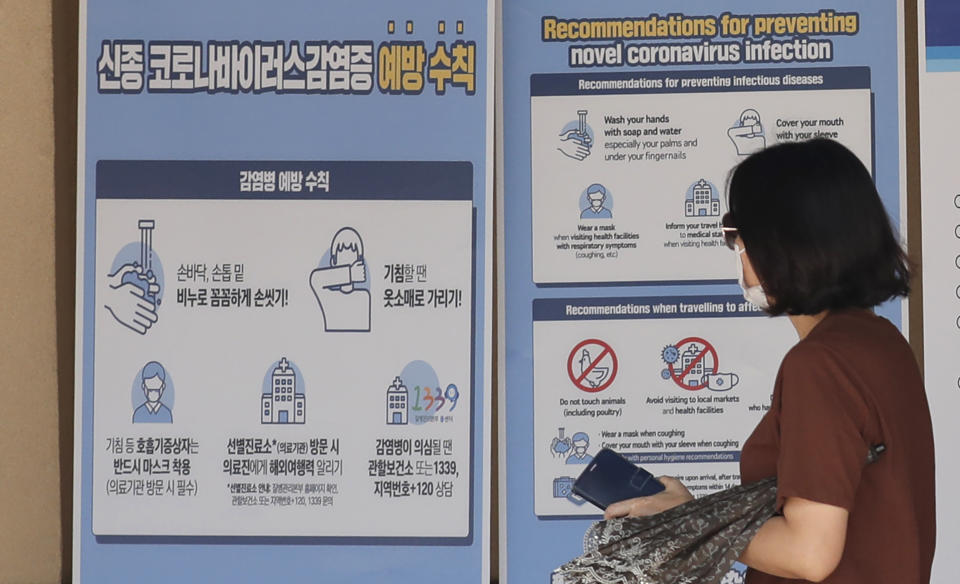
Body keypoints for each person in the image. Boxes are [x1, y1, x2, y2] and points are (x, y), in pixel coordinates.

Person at [604, 139, 935, 583]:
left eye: (737, 233)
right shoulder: (881, 345)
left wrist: (691, 521)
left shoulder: (821, 364)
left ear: (782, 242)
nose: (736, 247)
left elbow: (810, 553)